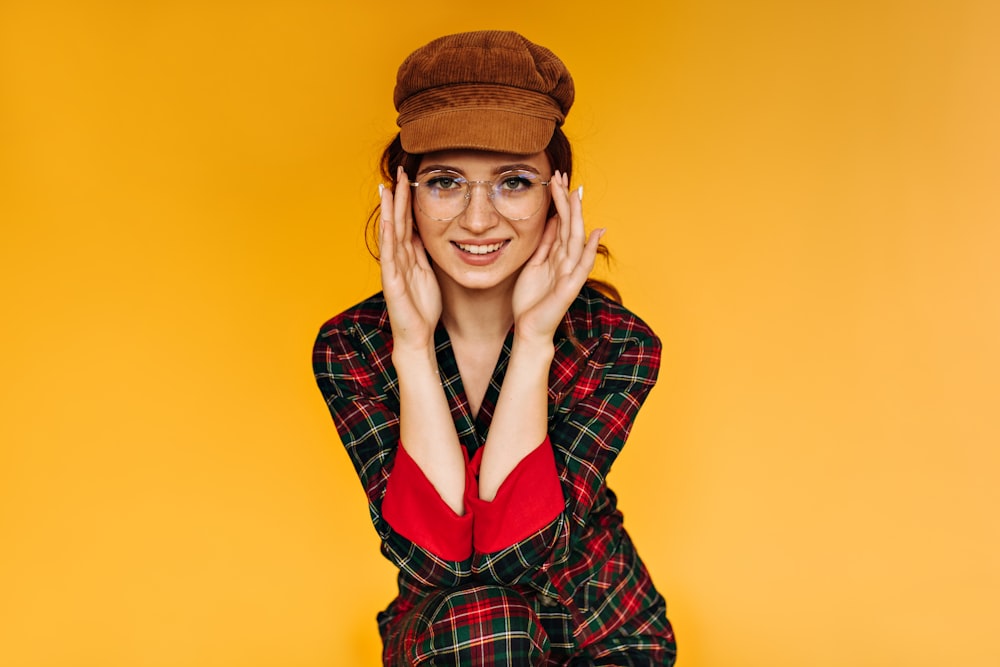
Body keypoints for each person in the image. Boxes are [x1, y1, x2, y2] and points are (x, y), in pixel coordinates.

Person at [313, 30, 676, 666]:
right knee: (484, 623)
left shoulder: (616, 344)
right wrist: (412, 347)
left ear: (556, 195)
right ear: (403, 196)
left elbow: (517, 553)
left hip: (601, 633)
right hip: (453, 639)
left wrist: (535, 341)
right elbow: (435, 559)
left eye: (513, 182)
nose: (478, 219)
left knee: (491, 616)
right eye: (446, 181)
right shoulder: (354, 346)